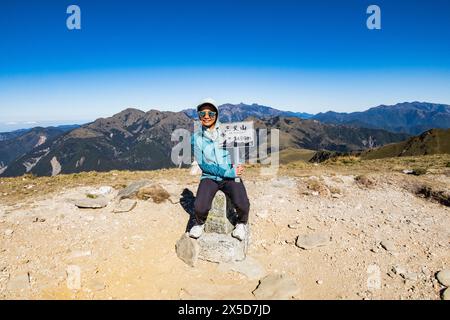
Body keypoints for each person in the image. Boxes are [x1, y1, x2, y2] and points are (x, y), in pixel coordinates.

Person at [189, 99, 250, 241]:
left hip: (231, 173)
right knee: (199, 206)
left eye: (210, 113)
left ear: (216, 114)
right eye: (202, 113)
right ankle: (199, 223)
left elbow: (236, 151)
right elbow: (204, 165)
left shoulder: (228, 131)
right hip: (210, 177)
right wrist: (227, 173)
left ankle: (241, 224)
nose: (206, 116)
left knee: (242, 202)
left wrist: (238, 165)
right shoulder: (196, 138)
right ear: (199, 116)